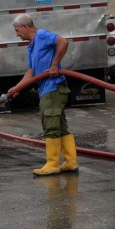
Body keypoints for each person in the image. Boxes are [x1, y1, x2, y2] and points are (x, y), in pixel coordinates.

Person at [8, 13, 78, 176]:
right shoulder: (31, 46)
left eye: (17, 30)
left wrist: (54, 65)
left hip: (53, 88)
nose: (17, 34)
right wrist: (17, 88)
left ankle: (53, 164)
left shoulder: (42, 35)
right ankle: (71, 162)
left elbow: (63, 41)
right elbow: (32, 72)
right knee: (61, 127)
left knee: (50, 126)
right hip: (48, 89)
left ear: (26, 26)